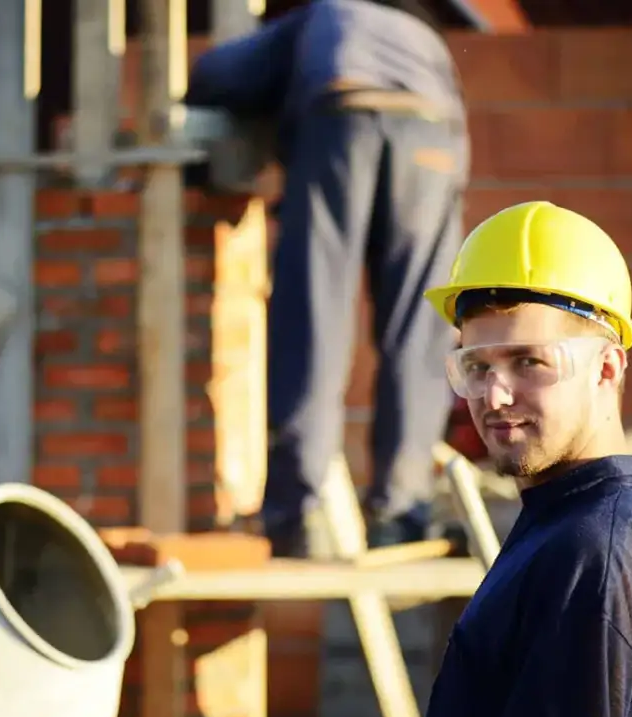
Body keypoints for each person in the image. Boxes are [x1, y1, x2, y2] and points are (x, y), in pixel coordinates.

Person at [411, 201, 632, 717]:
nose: (495, 394)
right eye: (476, 366)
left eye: (529, 362)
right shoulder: (574, 527)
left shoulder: (592, 550)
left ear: (606, 369)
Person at [184, 0, 472, 555]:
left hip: (346, 113)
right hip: (437, 132)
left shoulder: (323, 16)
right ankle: (403, 510)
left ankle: (299, 513)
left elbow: (217, 74)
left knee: (316, 315)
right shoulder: (425, 37)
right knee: (421, 328)